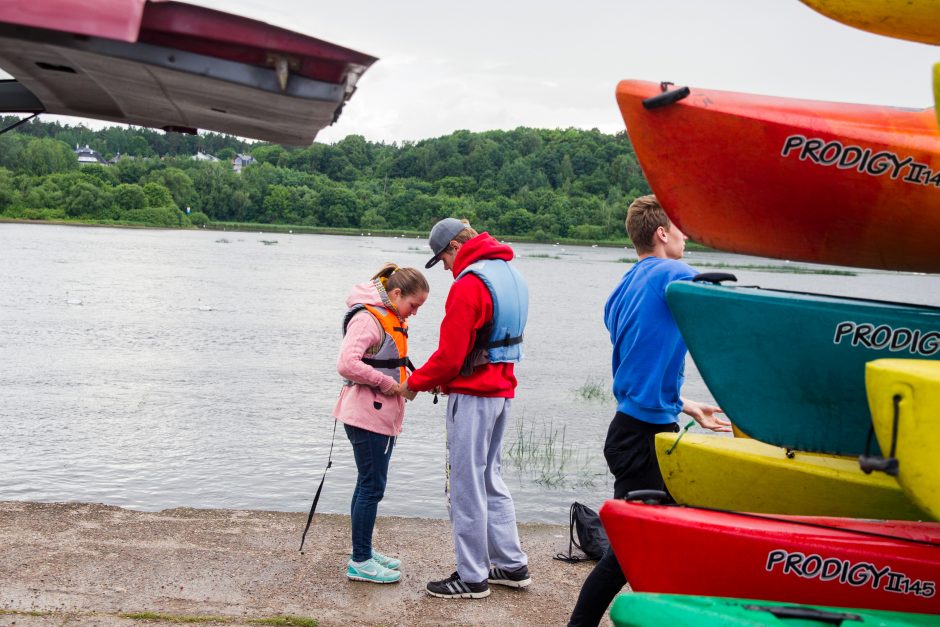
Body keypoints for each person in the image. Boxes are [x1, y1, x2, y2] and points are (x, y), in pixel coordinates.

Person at [567, 195, 731, 626]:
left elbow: (641, 356)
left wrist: (686, 404)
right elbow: (715, 306)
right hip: (642, 439)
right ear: (661, 233)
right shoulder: (671, 271)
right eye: (679, 228)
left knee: (657, 540)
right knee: (630, 551)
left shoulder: (623, 287)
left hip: (637, 428)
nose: (685, 236)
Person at [402, 218, 531, 599]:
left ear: (456, 247)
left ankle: (472, 576)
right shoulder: (510, 274)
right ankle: (511, 564)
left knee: (465, 485)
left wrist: (414, 383)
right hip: (502, 392)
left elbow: (450, 357)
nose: (444, 267)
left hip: (473, 396)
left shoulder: (469, 284)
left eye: (442, 258)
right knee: (491, 477)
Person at [335, 263, 429, 584]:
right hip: (366, 417)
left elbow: (393, 362)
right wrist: (389, 386)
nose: (414, 313)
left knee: (367, 485)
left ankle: (363, 550)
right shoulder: (368, 319)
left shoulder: (392, 318)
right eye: (413, 305)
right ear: (397, 293)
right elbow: (346, 363)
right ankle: (360, 560)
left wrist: (422, 381)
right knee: (372, 487)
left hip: (378, 416)